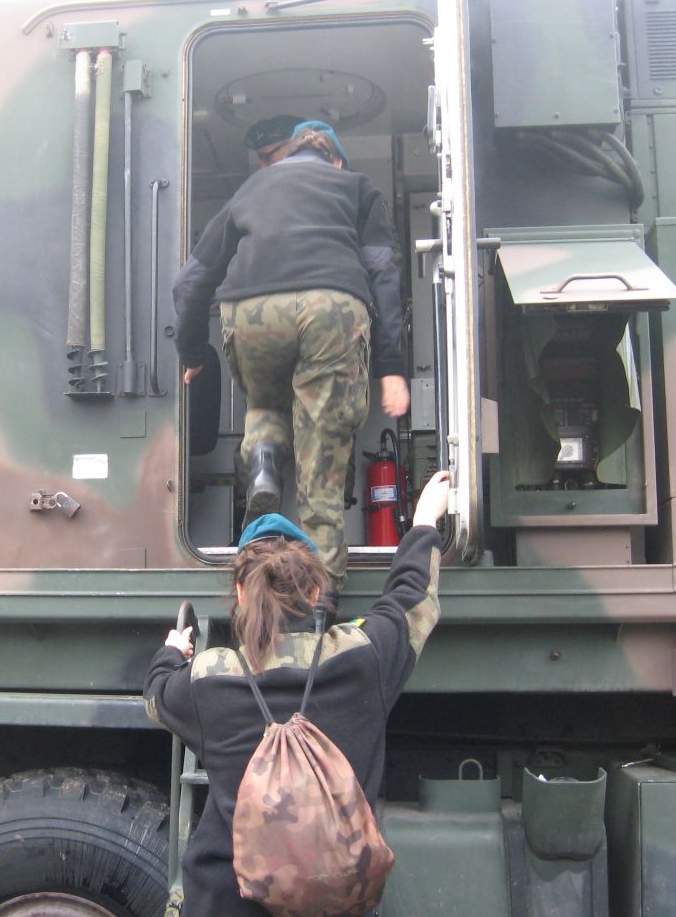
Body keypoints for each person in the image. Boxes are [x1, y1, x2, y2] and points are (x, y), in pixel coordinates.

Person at [145, 470, 450, 917]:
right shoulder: (363, 657)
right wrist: (423, 522)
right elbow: (411, 599)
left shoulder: (208, 680)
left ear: (240, 594)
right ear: (315, 592)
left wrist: (173, 651)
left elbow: (156, 697)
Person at [173, 119, 410, 587]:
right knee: (322, 446)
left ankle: (263, 461)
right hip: (330, 306)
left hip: (251, 310)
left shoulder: (252, 188)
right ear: (336, 161)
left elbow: (189, 280)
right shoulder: (356, 187)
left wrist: (193, 351)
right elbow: (384, 272)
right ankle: (321, 593)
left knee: (265, 405)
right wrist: (391, 366)